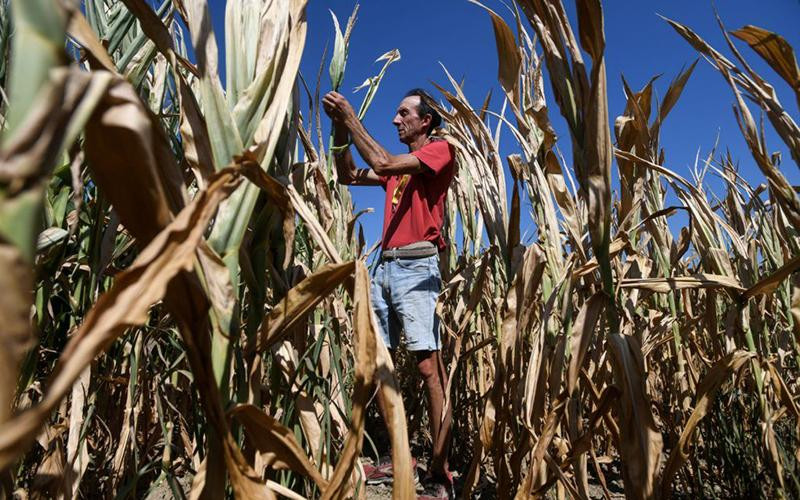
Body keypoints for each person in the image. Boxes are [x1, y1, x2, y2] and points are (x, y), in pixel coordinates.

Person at [322, 88, 455, 499]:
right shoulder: (396, 173)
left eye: (403, 113)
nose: (396, 120)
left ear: (425, 120)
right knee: (380, 363)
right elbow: (348, 174)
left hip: (417, 266)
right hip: (385, 268)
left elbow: (381, 161)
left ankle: (440, 471)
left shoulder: (439, 151)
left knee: (429, 369)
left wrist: (351, 117)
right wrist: (340, 131)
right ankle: (398, 457)